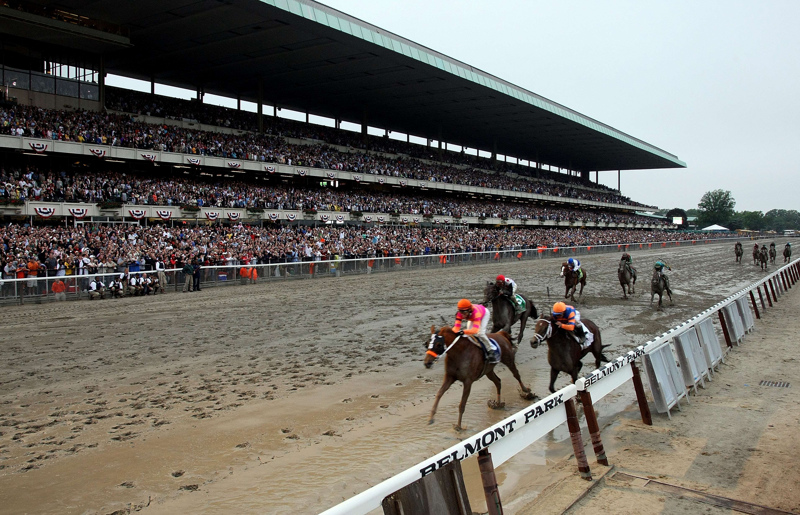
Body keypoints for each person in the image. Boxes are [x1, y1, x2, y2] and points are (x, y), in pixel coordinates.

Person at [452, 298, 499, 363]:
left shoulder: (476, 313)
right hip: (472, 317)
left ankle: (490, 350)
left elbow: (475, 330)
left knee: (480, 333)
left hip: (484, 314)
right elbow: (456, 327)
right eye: (461, 312)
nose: (462, 315)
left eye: (464, 312)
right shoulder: (459, 314)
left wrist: (463, 332)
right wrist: (453, 332)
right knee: (468, 334)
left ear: (469, 310)